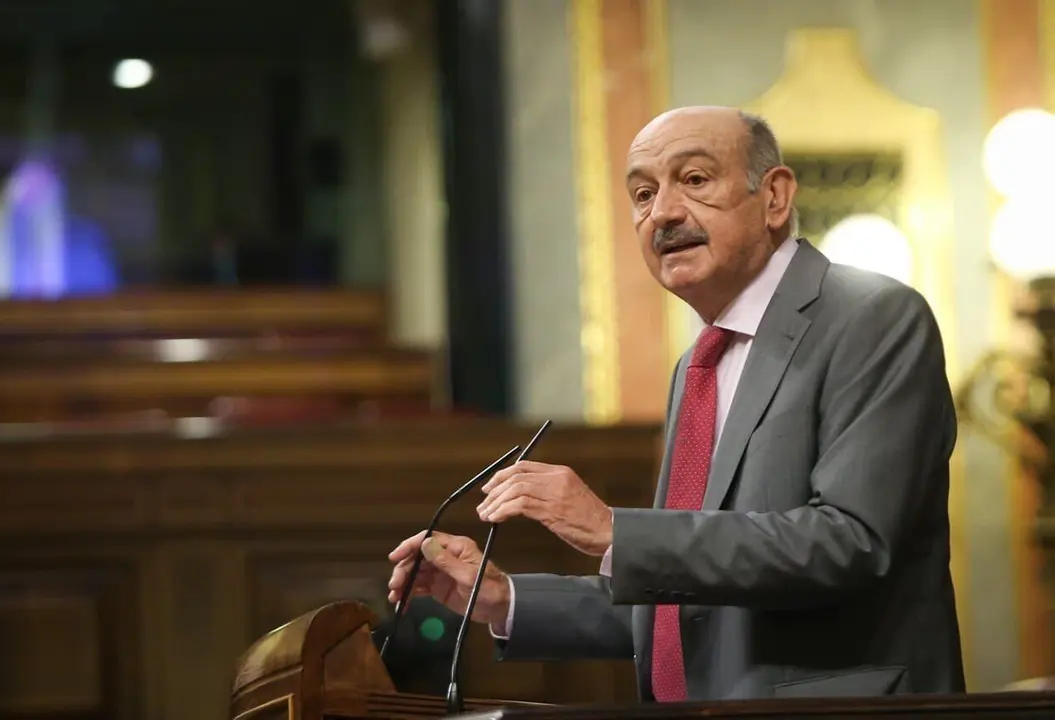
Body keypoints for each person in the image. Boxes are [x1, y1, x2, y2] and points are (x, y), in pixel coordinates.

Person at [387, 106, 965, 702]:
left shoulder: (871, 317)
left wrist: (614, 530)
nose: (662, 212)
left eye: (694, 179)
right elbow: (686, 610)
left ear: (774, 197)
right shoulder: (696, 366)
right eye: (643, 194)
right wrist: (505, 599)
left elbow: (852, 541)